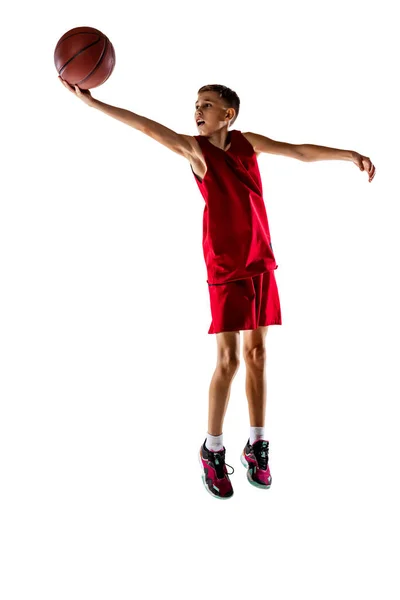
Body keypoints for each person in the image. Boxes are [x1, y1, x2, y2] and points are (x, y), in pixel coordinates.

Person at [59, 77, 376, 500]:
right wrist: (96, 104)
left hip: (260, 261)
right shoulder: (196, 150)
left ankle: (257, 445)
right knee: (227, 361)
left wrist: (348, 155)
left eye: (206, 105)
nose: (197, 110)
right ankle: (212, 449)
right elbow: (147, 126)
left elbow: (299, 151)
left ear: (228, 115)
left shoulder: (247, 142)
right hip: (226, 268)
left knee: (258, 355)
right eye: (196, 104)